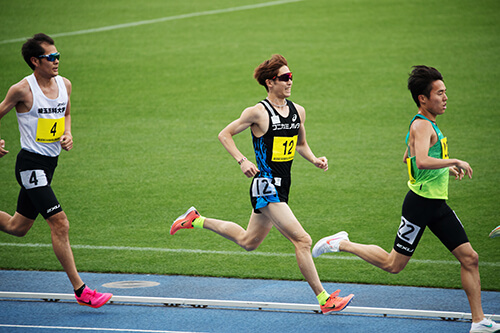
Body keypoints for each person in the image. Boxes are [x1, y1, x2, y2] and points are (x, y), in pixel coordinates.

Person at [312, 65, 499, 332]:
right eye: (440, 93)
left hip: (437, 205)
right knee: (393, 264)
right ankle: (341, 244)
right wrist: (454, 159)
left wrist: (444, 166)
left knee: (470, 258)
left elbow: (408, 157)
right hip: (420, 206)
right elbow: (420, 160)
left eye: (446, 92)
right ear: (423, 98)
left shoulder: (425, 124)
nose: (445, 97)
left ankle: (479, 321)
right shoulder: (422, 125)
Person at [170, 54, 353, 314]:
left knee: (249, 241)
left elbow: (300, 144)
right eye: (284, 78)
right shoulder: (257, 112)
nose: (290, 82)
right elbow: (225, 134)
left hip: (284, 185)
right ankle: (325, 299)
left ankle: (195, 219)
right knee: (302, 240)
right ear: (270, 82)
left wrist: (314, 159)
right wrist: (242, 160)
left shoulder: (298, 111)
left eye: (291, 76)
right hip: (265, 185)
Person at [0, 33, 112, 308]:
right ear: (34, 61)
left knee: (17, 227)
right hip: (30, 165)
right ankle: (81, 291)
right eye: (51, 57)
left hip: (49, 165)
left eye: (58, 55)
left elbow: (66, 113)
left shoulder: (65, 85)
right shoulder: (22, 90)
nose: (57, 61)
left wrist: (68, 133)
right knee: (60, 223)